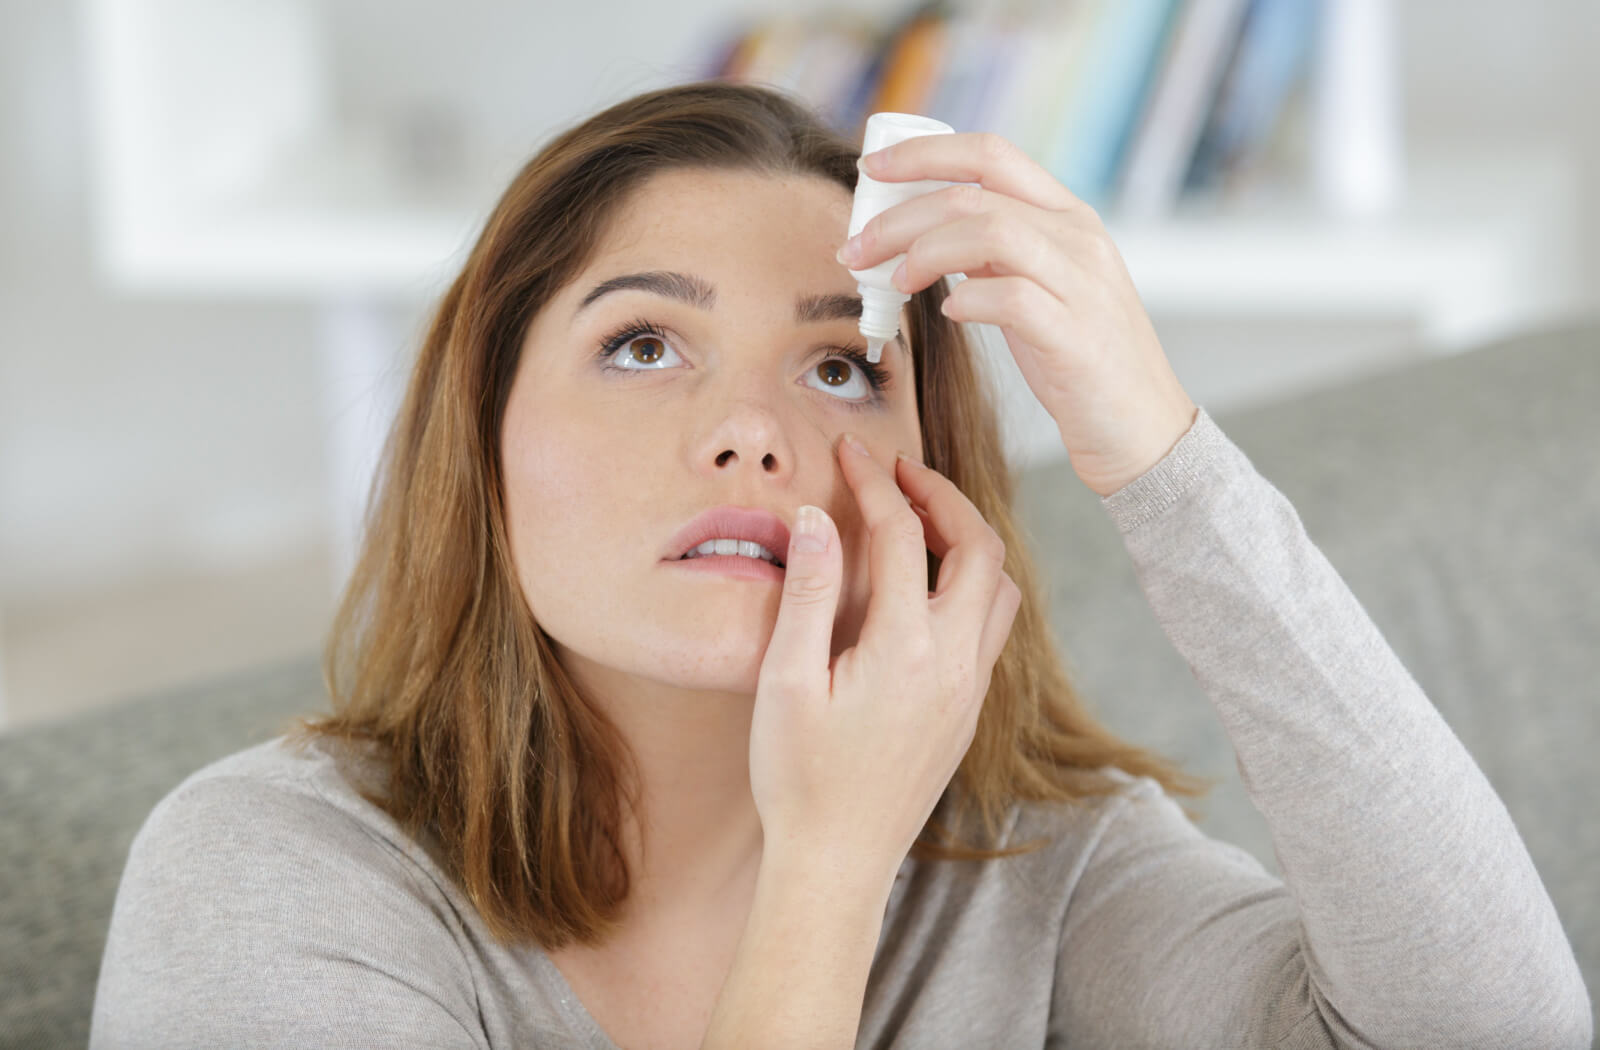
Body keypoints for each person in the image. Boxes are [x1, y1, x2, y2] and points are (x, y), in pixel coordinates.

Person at [88, 80, 1590, 1049]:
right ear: (478, 446)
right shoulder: (270, 875)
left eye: (837, 365)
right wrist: (825, 863)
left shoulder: (1040, 875)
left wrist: (1158, 451)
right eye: (643, 343)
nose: (747, 431)